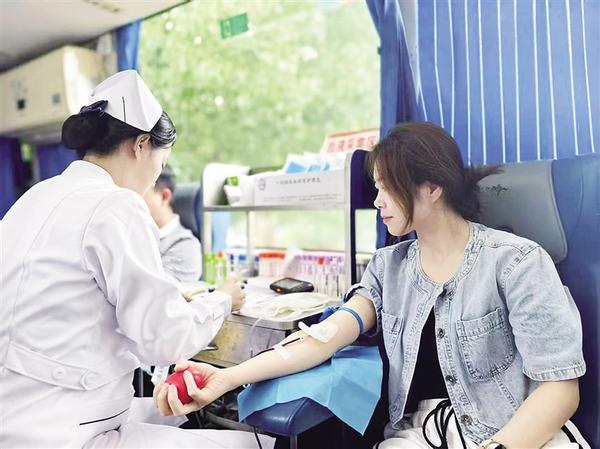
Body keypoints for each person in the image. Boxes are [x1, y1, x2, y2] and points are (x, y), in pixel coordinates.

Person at [154, 122, 589, 449]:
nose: (377, 200)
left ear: (432, 186)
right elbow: (322, 340)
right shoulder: (388, 267)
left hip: (519, 430)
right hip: (424, 432)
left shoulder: (516, 262)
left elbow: (559, 389)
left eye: (386, 187)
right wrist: (226, 378)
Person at [0, 70, 274, 449]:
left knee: (174, 414)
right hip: (68, 430)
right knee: (254, 444)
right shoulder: (116, 205)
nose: (156, 177)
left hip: (20, 415)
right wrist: (223, 299)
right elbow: (166, 340)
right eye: (161, 163)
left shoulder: (34, 197)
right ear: (142, 145)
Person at [143, 164, 202, 283]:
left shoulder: (185, 247)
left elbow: (156, 291)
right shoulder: (131, 233)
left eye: (138, 195)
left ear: (164, 197)